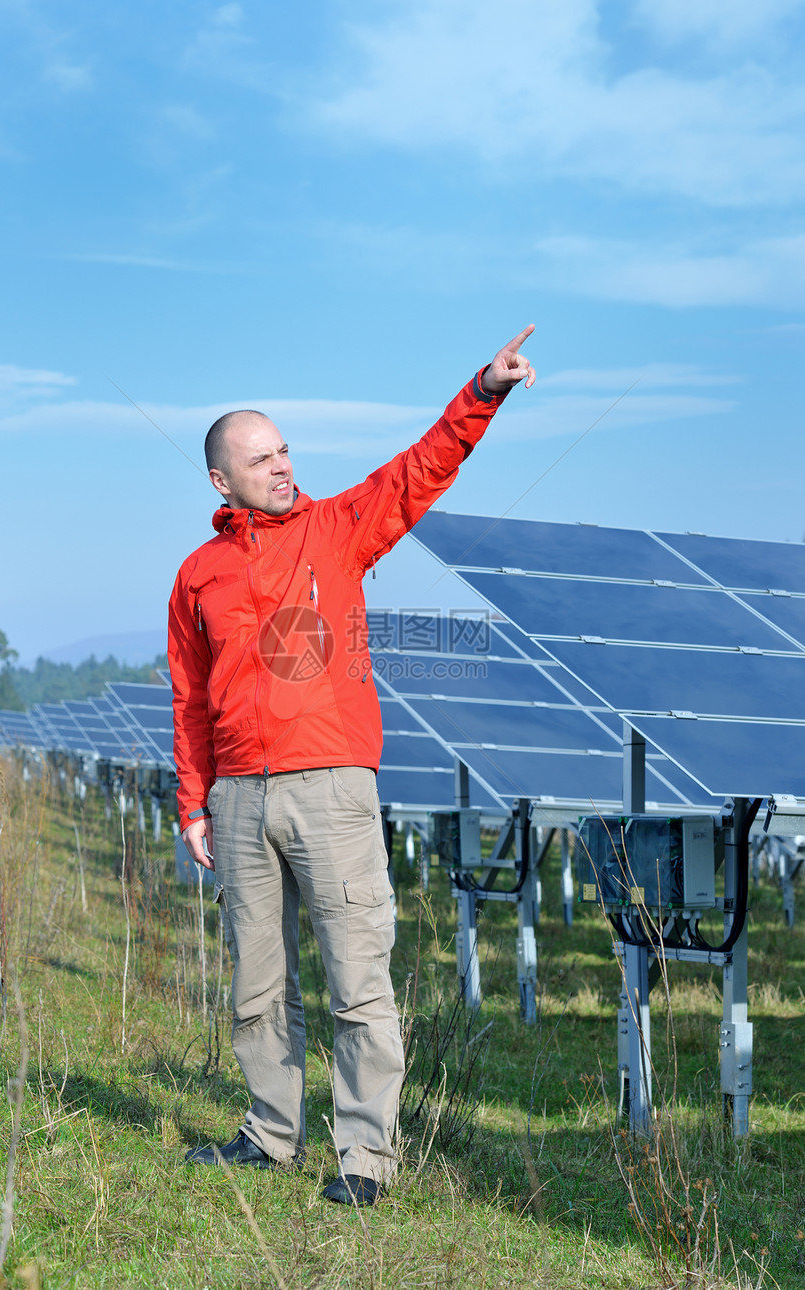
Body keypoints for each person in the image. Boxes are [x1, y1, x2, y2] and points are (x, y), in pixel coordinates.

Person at [168, 326, 537, 1205]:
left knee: (355, 978)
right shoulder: (197, 575)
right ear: (221, 479)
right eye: (260, 459)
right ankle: (269, 1133)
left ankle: (364, 1159)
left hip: (331, 788)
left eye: (285, 451)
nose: (281, 467)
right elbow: (188, 701)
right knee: (257, 981)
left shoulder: (337, 529)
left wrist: (482, 392)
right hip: (238, 801)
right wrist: (194, 804)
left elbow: (418, 472)